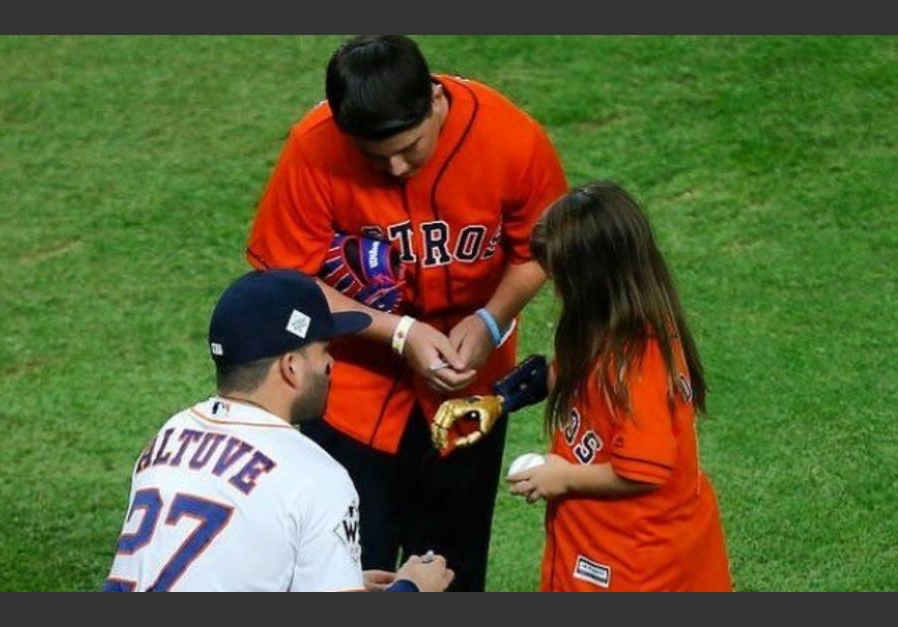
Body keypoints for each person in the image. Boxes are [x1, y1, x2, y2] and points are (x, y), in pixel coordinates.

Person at [245, 35, 567, 590]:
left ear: (435, 101)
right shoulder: (314, 148)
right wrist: (398, 333)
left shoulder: (510, 138)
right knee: (341, 579)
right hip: (348, 394)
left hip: (470, 396)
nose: (395, 167)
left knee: (453, 572)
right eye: (376, 156)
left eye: (410, 147)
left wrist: (491, 319)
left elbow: (543, 246)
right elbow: (281, 282)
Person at [103, 269, 453, 592]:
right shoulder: (317, 476)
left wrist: (337, 579)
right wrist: (412, 588)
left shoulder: (170, 434)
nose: (331, 363)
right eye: (323, 350)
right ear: (291, 368)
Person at [508, 183, 732, 592]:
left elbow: (644, 470)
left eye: (565, 281)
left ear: (597, 280)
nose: (557, 291)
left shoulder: (637, 364)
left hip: (637, 560)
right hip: (601, 542)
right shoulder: (610, 325)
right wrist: (532, 385)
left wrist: (564, 477)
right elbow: (587, 381)